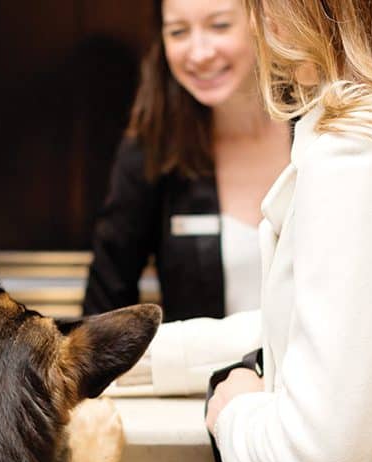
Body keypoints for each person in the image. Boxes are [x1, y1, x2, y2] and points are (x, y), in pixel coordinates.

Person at [123, 0, 372, 462]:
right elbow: (330, 330)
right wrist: (138, 358)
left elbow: (324, 457)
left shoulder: (355, 151)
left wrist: (235, 412)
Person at [83, 0, 291, 323]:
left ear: (263, 20)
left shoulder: (320, 128)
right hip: (206, 374)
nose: (199, 53)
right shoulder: (152, 152)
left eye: (219, 26)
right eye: (178, 32)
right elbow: (102, 311)